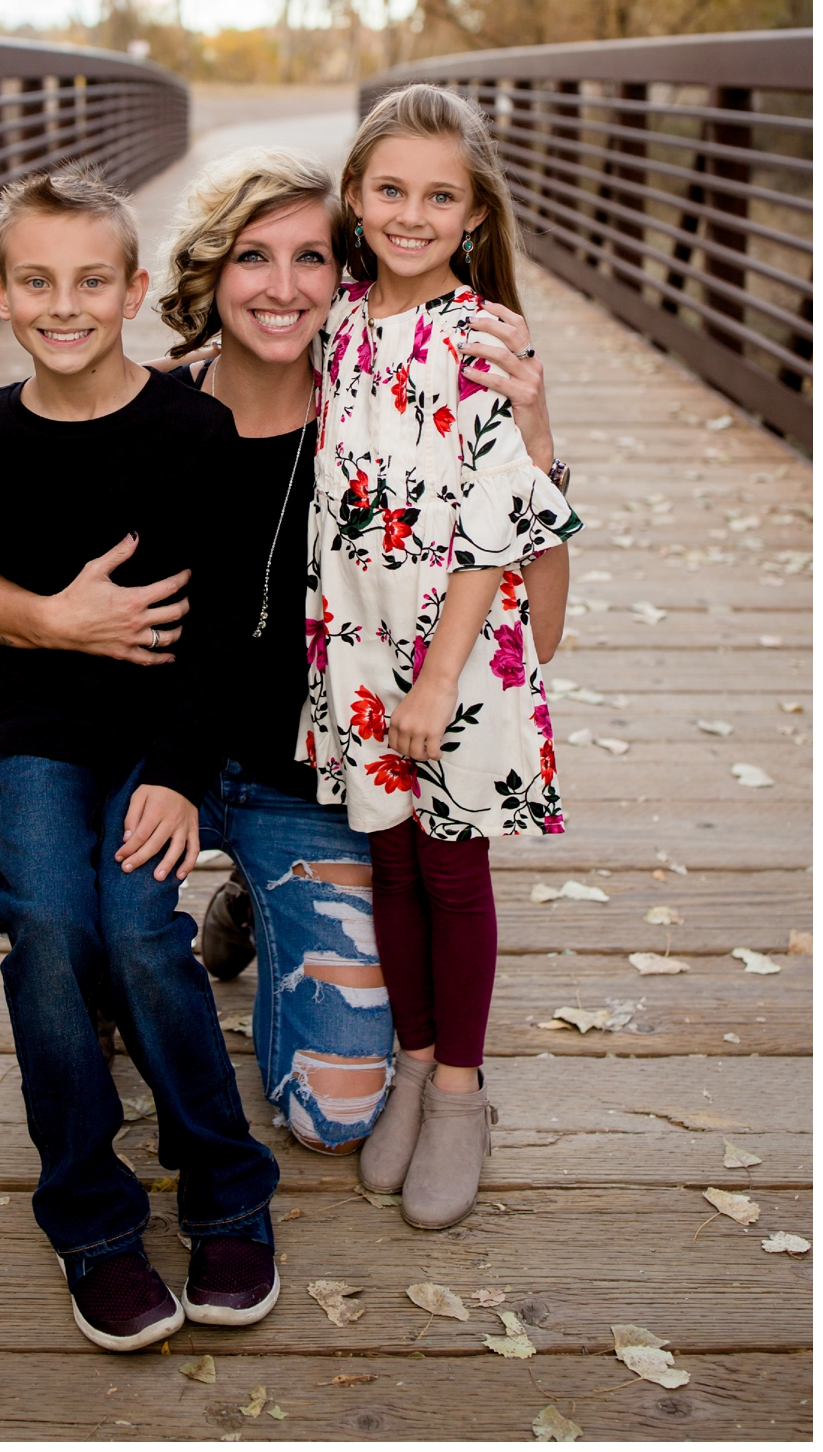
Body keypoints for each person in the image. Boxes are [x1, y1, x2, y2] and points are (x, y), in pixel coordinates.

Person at [0, 145, 565, 1162]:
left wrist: (533, 441)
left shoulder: (390, 423)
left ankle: (250, 902)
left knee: (333, 1114)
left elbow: (541, 634)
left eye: (311, 259)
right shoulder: (152, 408)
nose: (280, 287)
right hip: (136, 741)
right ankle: (86, 969)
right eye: (251, 258)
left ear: (345, 277)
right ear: (208, 273)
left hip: (296, 777)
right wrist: (47, 622)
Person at [0, 164, 281, 1354]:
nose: (62, 304)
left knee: (135, 927)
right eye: (36, 280)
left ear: (133, 291)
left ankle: (223, 1185)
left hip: (155, 737)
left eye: (90, 280)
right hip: (28, 729)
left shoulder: (192, 431)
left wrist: (181, 771)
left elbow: (223, 623)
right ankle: (91, 1215)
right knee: (52, 931)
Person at [304, 85, 580, 1229]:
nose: (411, 213)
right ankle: (412, 1064)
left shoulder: (481, 338)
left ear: (473, 214)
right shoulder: (339, 321)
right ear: (357, 199)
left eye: (439, 195)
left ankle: (461, 1093)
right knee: (392, 864)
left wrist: (434, 681)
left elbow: (493, 526)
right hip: (362, 644)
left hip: (450, 660)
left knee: (452, 872)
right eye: (389, 190)